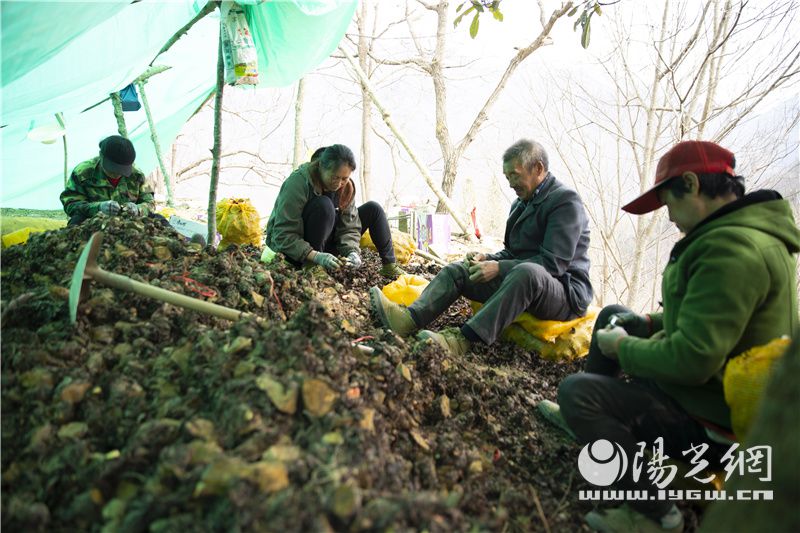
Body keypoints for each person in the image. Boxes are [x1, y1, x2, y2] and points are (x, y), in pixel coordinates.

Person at [539, 140, 799, 532]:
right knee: (616, 315)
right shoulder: (737, 234)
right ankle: (592, 429)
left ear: (692, 184)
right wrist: (646, 325)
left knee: (579, 392)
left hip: (716, 420)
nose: (670, 218)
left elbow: (694, 359)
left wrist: (623, 348)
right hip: (710, 389)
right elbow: (711, 320)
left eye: (669, 205)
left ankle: (655, 514)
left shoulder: (732, 251)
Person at [369, 139, 593, 356]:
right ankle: (409, 319)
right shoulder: (520, 204)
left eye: (515, 175)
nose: (510, 183)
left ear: (538, 168)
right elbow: (512, 253)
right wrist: (486, 257)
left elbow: (553, 264)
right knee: (458, 271)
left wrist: (499, 267)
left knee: (527, 274)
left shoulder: (564, 201)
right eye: (507, 177)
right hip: (523, 281)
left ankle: (463, 340)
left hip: (564, 292)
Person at [265, 144, 405, 278]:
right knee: (324, 206)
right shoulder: (298, 182)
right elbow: (283, 234)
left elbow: (349, 227)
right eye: (335, 177)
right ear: (321, 167)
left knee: (374, 209)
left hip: (327, 245)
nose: (339, 184)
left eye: (344, 178)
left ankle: (389, 266)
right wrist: (315, 256)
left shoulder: (346, 188)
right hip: (296, 249)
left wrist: (352, 251)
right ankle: (312, 266)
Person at [60, 135, 155, 226]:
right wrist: (98, 208)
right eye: (112, 169)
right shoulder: (82, 173)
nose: (117, 174)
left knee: (159, 220)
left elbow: (150, 202)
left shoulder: (136, 175)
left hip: (131, 222)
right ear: (101, 156)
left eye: (122, 171)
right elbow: (70, 204)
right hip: (93, 222)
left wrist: (138, 209)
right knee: (75, 223)